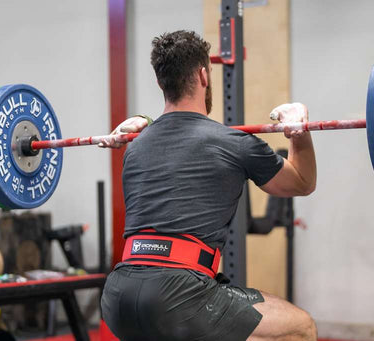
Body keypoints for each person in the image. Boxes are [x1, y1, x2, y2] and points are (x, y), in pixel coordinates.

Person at [100, 30, 317, 341]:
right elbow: (303, 181)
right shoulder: (233, 142)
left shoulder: (134, 146)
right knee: (300, 327)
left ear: (161, 82)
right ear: (203, 75)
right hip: (180, 299)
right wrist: (299, 130)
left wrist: (142, 120)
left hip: (117, 297)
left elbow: (170, 143)